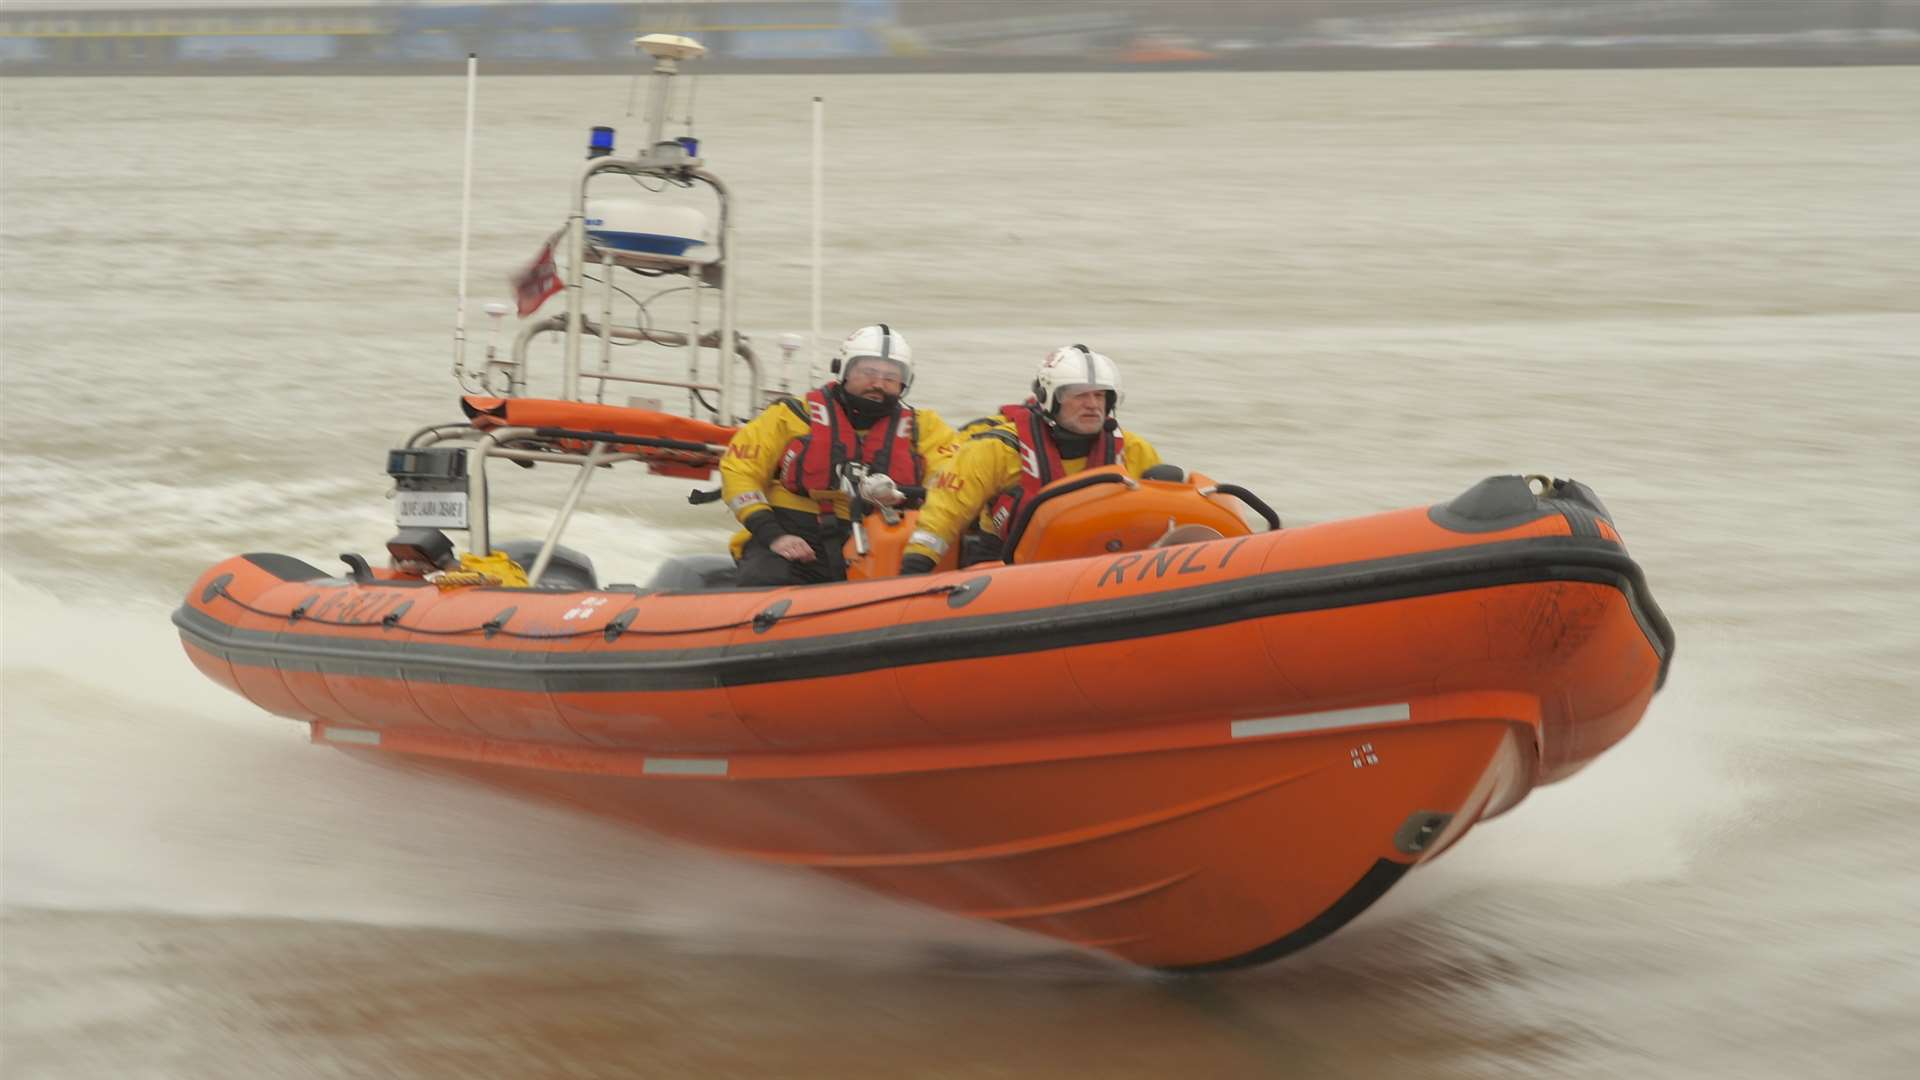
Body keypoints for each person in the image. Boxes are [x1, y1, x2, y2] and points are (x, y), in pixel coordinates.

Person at [721, 324, 959, 586]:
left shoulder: (926, 427)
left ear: (905, 382)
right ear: (844, 370)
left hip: (883, 539)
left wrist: (907, 496)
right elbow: (739, 471)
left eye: (891, 377)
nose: (878, 384)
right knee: (763, 579)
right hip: (794, 536)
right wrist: (774, 535)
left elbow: (953, 480)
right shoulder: (791, 416)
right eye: (868, 372)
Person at [900, 344, 1161, 573]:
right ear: (1050, 399)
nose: (1092, 404)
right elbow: (944, 512)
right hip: (1008, 568)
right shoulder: (997, 448)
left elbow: (1163, 509)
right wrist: (916, 567)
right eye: (1080, 394)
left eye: (1100, 395)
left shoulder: (1134, 450)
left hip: (1102, 566)